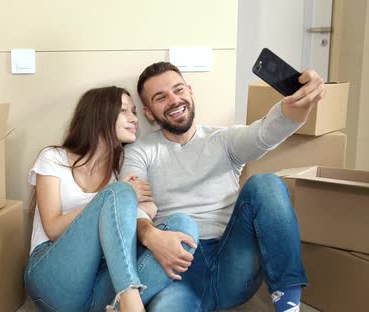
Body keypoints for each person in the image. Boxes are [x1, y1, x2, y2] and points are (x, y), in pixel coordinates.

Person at [121, 62, 325, 312]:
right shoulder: (139, 152)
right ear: (149, 112)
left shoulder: (223, 139)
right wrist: (151, 236)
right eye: (161, 97)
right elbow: (131, 207)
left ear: (190, 91)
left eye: (178, 90)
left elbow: (264, 134)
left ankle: (289, 304)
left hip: (233, 260)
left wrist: (296, 106)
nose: (174, 100)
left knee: (266, 184)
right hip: (178, 270)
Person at [24, 86, 200, 312]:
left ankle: (118, 307)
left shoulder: (121, 171)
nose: (134, 119)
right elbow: (53, 228)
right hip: (53, 276)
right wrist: (113, 197)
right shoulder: (53, 158)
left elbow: (143, 214)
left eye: (135, 112)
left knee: (183, 227)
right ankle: (130, 298)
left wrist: (141, 209)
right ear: (100, 114)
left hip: (100, 283)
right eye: (124, 111)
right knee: (120, 192)